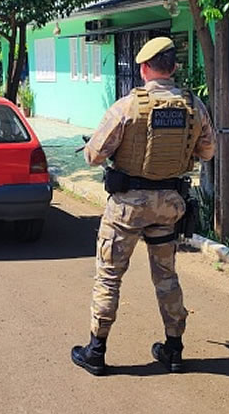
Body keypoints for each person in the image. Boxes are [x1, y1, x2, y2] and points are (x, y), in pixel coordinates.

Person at [71, 37, 216, 376]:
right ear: (174, 67)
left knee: (109, 276)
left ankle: (96, 351)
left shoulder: (126, 107)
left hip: (127, 209)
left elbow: (94, 156)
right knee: (166, 276)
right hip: (168, 207)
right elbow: (208, 152)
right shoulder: (195, 107)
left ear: (144, 68)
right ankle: (174, 350)